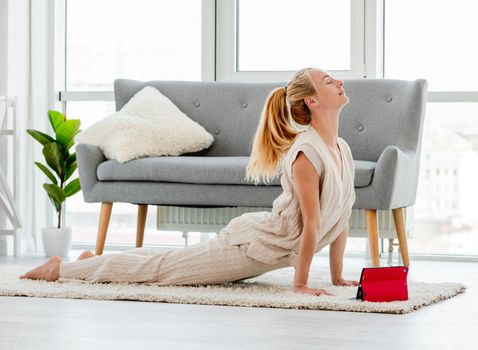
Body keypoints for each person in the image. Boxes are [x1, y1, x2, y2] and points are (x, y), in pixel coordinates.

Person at [20, 67, 359, 296]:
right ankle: (60, 269)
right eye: (329, 81)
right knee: (163, 270)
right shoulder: (306, 155)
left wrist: (337, 277)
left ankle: (91, 263)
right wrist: (300, 284)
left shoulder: (340, 149)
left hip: (263, 247)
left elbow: (338, 218)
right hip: (249, 247)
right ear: (311, 101)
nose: (340, 82)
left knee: (164, 264)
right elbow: (312, 224)